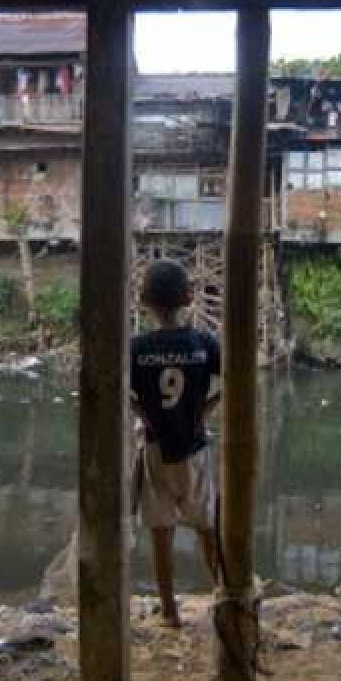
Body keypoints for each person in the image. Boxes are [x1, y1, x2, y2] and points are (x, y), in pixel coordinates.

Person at [130, 259, 221, 628]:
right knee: (207, 527)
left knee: (161, 531)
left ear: (146, 302)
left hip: (155, 449)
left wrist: (144, 413)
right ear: (187, 298)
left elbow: (123, 391)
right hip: (195, 449)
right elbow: (231, 381)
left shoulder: (136, 348)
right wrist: (204, 411)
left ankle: (169, 611)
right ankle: (224, 593)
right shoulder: (203, 343)